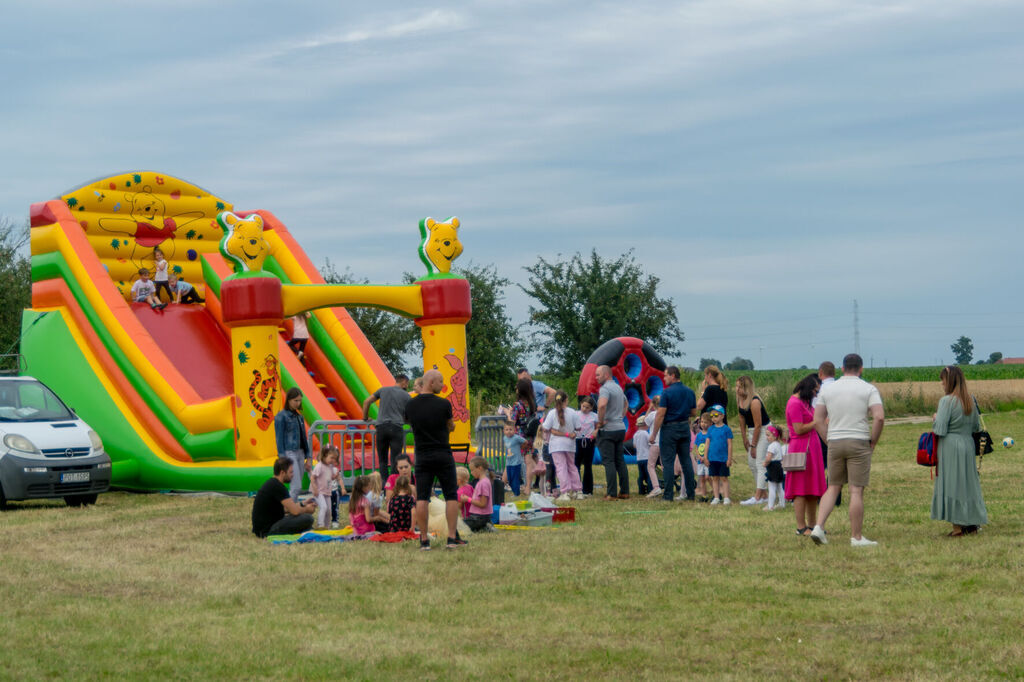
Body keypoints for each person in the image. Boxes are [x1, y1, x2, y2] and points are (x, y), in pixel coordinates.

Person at [810, 354, 884, 547]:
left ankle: (818, 526)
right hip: (859, 440)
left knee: (833, 486)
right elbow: (879, 417)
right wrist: (873, 442)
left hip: (835, 440)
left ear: (842, 369)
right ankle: (856, 537)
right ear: (861, 369)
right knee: (856, 490)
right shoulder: (869, 389)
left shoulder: (828, 389)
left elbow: (817, 419)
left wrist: (828, 439)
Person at [404, 369, 466, 550]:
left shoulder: (410, 405)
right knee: (451, 496)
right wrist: (450, 427)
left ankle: (424, 540)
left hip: (422, 455)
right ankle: (452, 538)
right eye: (440, 382)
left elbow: (410, 423)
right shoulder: (443, 404)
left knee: (422, 497)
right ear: (431, 383)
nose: (442, 385)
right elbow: (450, 426)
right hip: (442, 454)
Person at [930, 366, 987, 537]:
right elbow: (977, 427)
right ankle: (972, 524)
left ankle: (957, 528)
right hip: (968, 444)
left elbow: (939, 429)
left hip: (950, 446)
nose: (941, 383)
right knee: (968, 483)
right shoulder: (970, 400)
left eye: (943, 380)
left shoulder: (946, 401)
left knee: (953, 485)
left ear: (950, 381)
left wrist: (935, 418)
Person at [648, 365, 697, 502]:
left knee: (668, 462)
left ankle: (668, 495)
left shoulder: (667, 393)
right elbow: (693, 412)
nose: (664, 378)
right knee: (685, 460)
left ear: (673, 375)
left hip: (669, 429)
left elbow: (660, 414)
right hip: (684, 428)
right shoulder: (689, 391)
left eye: (665, 375)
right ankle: (690, 493)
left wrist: (653, 434)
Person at [785, 374, 825, 536]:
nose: (816, 395)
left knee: (811, 490)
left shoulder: (805, 402)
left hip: (812, 448)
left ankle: (813, 525)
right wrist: (817, 422)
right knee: (800, 490)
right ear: (808, 388)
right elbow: (799, 429)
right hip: (800, 449)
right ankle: (801, 527)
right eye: (815, 391)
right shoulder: (794, 403)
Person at [362, 374, 412, 481]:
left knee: (382, 460)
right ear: (403, 382)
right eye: (407, 383)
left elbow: (366, 402)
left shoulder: (383, 390)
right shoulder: (406, 396)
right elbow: (409, 416)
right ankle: (393, 485)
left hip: (381, 428)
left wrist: (365, 418)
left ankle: (384, 486)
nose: (407, 386)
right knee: (396, 459)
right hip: (396, 428)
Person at [251, 457, 316, 538]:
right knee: (308, 518)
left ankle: (306, 529)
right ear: (282, 473)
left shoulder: (272, 483)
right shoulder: (278, 487)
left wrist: (303, 503)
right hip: (267, 530)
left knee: (304, 522)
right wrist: (307, 509)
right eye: (291, 472)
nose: (292, 475)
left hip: (262, 529)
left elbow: (285, 509)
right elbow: (295, 511)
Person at [735, 376, 772, 506]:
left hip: (763, 431)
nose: (736, 389)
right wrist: (744, 438)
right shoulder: (740, 400)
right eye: (736, 386)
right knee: (751, 463)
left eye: (739, 386)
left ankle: (757, 497)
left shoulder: (755, 401)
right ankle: (764, 494)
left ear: (746, 388)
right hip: (752, 431)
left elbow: (758, 425)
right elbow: (741, 421)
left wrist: (754, 445)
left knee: (760, 462)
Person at [595, 365, 629, 500]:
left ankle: (611, 493)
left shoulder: (605, 389)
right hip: (620, 428)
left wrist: (600, 421)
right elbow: (626, 403)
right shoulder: (618, 388)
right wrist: (620, 416)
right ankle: (625, 491)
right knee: (620, 460)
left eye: (598, 375)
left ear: (606, 375)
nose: (596, 378)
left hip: (608, 429)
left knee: (608, 461)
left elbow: (602, 405)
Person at [543, 389, 583, 502]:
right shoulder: (573, 412)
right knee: (572, 466)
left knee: (561, 468)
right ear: (566, 400)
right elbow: (579, 428)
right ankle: (578, 491)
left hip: (556, 445)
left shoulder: (551, 413)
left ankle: (565, 492)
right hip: (570, 444)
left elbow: (546, 427)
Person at [274, 387, 311, 502]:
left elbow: (304, 438)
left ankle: (291, 508)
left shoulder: (299, 417)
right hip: (289, 453)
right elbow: (279, 438)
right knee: (296, 486)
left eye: (299, 400)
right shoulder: (281, 416)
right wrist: (282, 458)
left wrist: (308, 456)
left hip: (300, 452)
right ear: (289, 400)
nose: (298, 403)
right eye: (295, 400)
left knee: (297, 487)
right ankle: (290, 509)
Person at [813, 361, 839, 506]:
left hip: (822, 430)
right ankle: (836, 497)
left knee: (820, 465)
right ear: (834, 373)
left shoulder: (821, 390)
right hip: (838, 428)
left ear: (820, 373)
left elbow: (816, 412)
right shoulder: (839, 387)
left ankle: (821, 495)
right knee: (835, 466)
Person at [510, 378, 539, 492]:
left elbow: (512, 422)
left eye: (517, 387)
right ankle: (528, 487)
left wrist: (508, 413)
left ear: (520, 390)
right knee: (528, 462)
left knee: (512, 460)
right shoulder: (532, 404)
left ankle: (503, 483)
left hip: (518, 435)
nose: (516, 389)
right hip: (529, 435)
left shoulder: (517, 405)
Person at [705, 405, 734, 505]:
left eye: (716, 415)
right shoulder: (710, 429)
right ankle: (716, 497)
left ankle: (726, 497)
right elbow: (707, 444)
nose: (713, 417)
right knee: (715, 478)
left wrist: (729, 458)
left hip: (723, 459)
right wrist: (705, 457)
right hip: (712, 458)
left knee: (724, 478)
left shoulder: (726, 429)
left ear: (722, 416)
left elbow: (729, 444)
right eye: (711, 415)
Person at [574, 396, 598, 496]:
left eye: (587, 407)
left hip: (589, 441)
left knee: (588, 465)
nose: (585, 409)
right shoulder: (576, 414)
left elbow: (597, 427)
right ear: (581, 405)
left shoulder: (594, 416)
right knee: (576, 464)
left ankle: (588, 489)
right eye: (583, 406)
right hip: (578, 440)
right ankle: (577, 487)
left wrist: (595, 432)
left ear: (591, 408)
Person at [464, 456, 494, 532]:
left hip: (479, 517)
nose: (471, 473)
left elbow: (483, 504)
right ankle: (484, 526)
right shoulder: (483, 481)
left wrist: (468, 499)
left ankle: (484, 526)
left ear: (480, 468)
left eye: (472, 470)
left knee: (460, 525)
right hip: (482, 517)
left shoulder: (483, 483)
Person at [310, 447, 338, 529]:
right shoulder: (319, 466)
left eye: (334, 458)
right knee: (324, 507)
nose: (333, 460)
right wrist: (315, 489)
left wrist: (334, 476)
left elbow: (330, 477)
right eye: (331, 458)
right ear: (325, 455)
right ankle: (320, 525)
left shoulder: (330, 467)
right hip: (319, 491)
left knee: (329, 510)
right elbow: (312, 477)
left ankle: (327, 526)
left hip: (327, 492)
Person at [763, 425, 787, 511]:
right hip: (779, 467)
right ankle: (782, 503)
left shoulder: (771, 446)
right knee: (780, 487)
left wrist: (765, 463)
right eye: (766, 435)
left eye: (768, 435)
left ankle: (770, 506)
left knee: (772, 487)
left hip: (773, 467)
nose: (767, 437)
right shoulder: (778, 445)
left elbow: (769, 457)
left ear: (775, 436)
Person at [502, 421, 526, 497]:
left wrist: (521, 448)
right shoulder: (505, 438)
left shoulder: (516, 438)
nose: (508, 431)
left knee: (515, 478)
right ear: (504, 431)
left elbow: (525, 441)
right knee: (510, 478)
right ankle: (514, 490)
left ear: (514, 430)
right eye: (507, 429)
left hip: (516, 462)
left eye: (510, 429)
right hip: (508, 461)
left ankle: (516, 493)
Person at [693, 413, 713, 501]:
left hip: (708, 460)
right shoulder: (699, 435)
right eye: (701, 422)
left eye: (705, 422)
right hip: (700, 461)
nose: (703, 424)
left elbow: (711, 447)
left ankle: (717, 491)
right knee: (702, 479)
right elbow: (696, 447)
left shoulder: (711, 434)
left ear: (710, 423)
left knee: (708, 477)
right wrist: (698, 456)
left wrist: (706, 457)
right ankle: (704, 495)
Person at [633, 414, 654, 496]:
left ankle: (641, 490)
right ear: (645, 424)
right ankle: (650, 489)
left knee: (641, 475)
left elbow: (634, 446)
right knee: (649, 475)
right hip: (646, 457)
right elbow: (650, 443)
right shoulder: (645, 433)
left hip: (639, 458)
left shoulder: (635, 435)